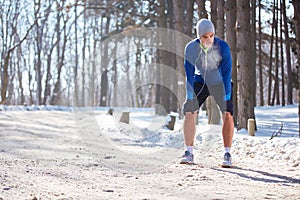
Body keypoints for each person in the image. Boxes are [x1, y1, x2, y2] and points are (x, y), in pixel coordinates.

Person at [180, 18, 234, 167]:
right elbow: (189, 73)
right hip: (200, 81)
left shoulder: (223, 47)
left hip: (220, 82)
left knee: (227, 113)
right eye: (205, 36)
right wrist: (190, 96)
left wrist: (227, 96)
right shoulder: (191, 48)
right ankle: (189, 152)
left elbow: (227, 73)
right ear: (199, 37)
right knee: (189, 111)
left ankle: (227, 153)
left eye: (211, 35)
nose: (209, 39)